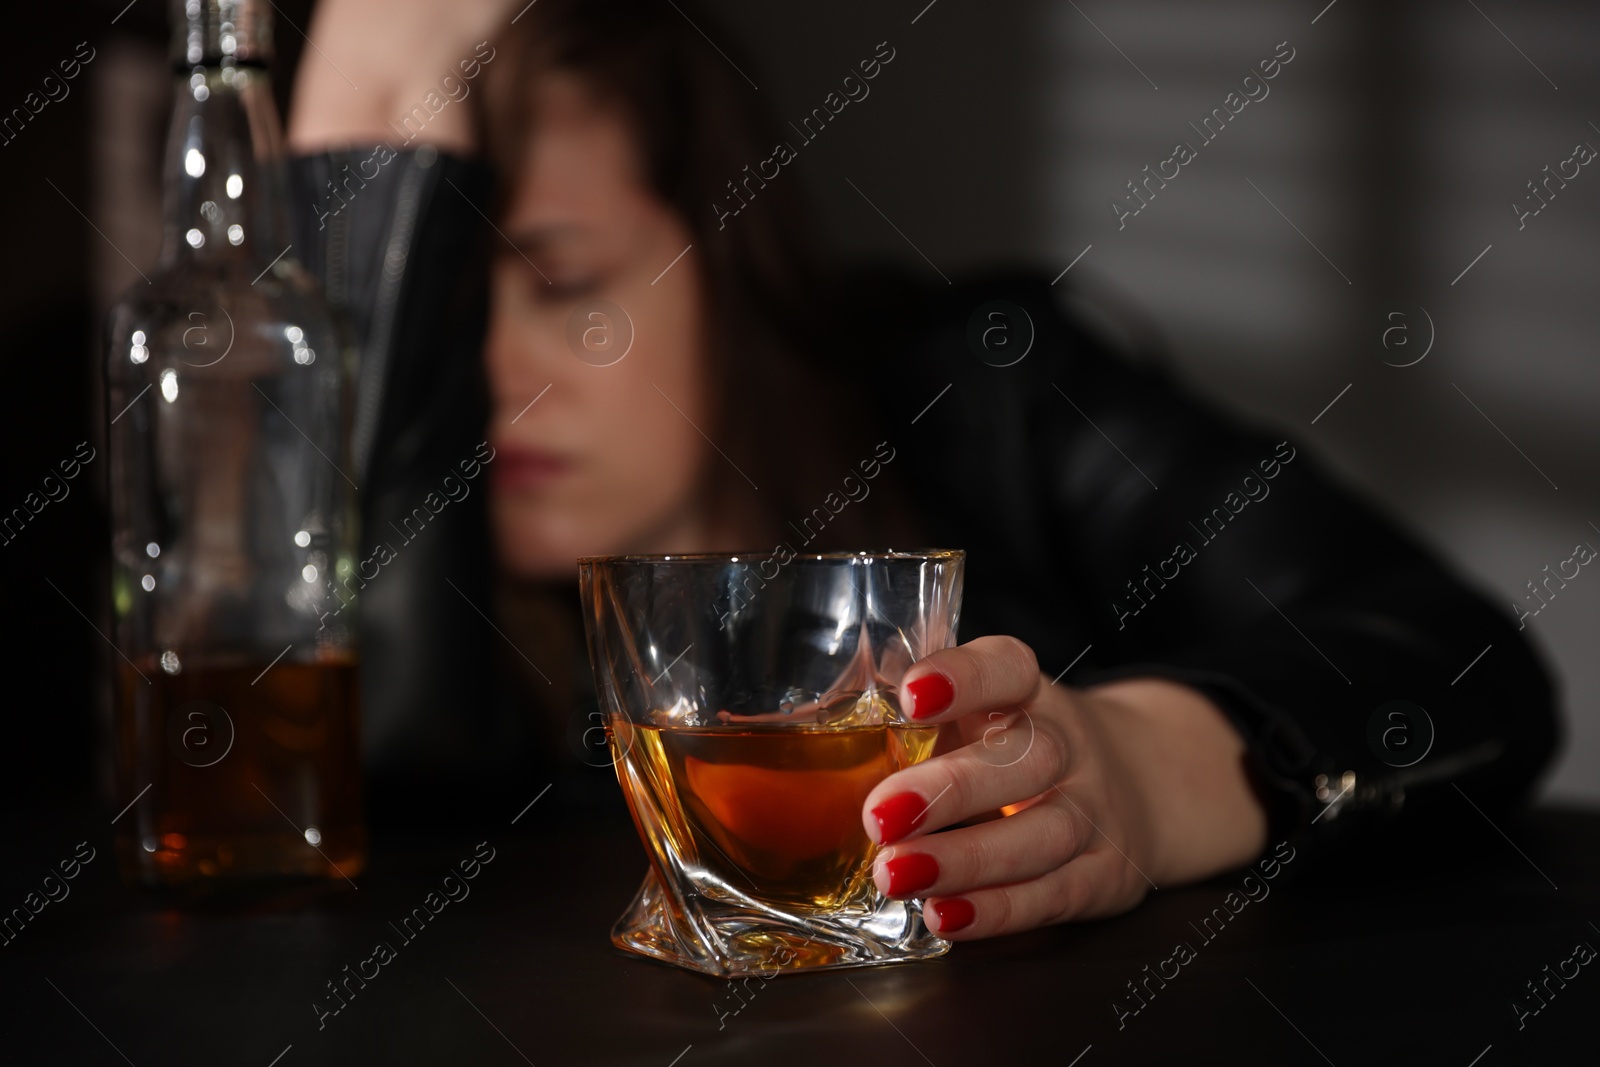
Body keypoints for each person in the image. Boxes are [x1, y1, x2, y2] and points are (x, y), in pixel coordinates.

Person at [285, 0, 1558, 941]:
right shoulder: (396, 633)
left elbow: (1458, 660)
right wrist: (371, 103)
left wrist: (1146, 771)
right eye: (442, 326)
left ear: (726, 269)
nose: (496, 372)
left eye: (565, 285)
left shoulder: (985, 390)